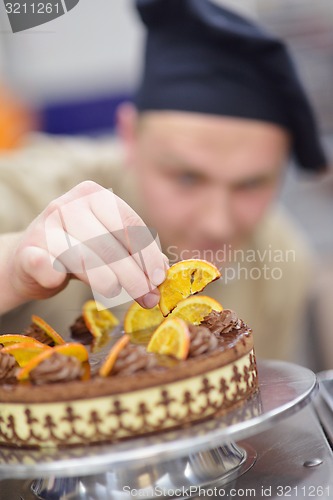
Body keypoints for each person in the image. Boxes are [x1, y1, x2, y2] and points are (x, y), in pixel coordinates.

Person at [0, 0, 329, 365]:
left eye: (250, 184)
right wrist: (13, 267)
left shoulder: (280, 264)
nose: (215, 222)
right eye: (187, 177)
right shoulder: (32, 189)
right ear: (129, 138)